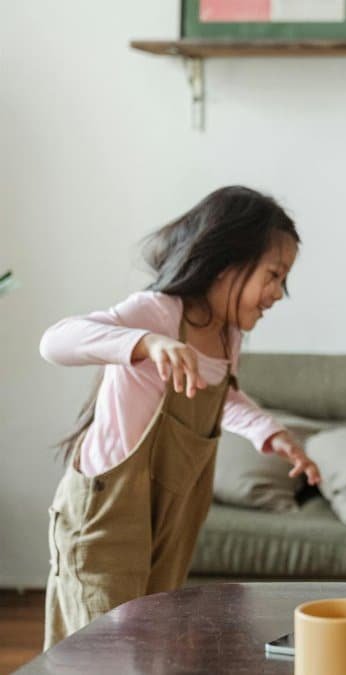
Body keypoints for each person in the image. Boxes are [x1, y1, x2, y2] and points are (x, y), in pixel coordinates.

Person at [38, 186, 322, 648]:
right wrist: (145, 342)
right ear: (226, 263)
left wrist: (272, 434)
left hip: (173, 515)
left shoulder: (228, 336)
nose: (278, 294)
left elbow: (220, 396)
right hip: (107, 512)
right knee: (101, 645)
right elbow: (55, 342)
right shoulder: (156, 312)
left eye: (283, 281)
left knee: (149, 639)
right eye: (273, 276)